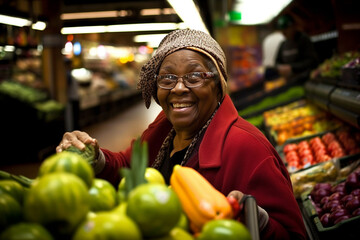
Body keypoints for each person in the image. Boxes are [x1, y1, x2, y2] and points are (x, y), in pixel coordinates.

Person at [56, 29, 306, 239]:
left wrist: (255, 219)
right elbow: (127, 167)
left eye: (195, 76)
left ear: (218, 85)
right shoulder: (163, 129)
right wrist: (92, 153)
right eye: (167, 78)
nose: (178, 88)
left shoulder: (247, 148)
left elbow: (294, 234)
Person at [275, 14, 318, 82]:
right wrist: (279, 68)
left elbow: (312, 61)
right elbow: (277, 61)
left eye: (286, 29)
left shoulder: (303, 39)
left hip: (306, 80)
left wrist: (292, 67)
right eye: (282, 30)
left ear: (293, 26)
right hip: (289, 81)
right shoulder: (283, 44)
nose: (284, 32)